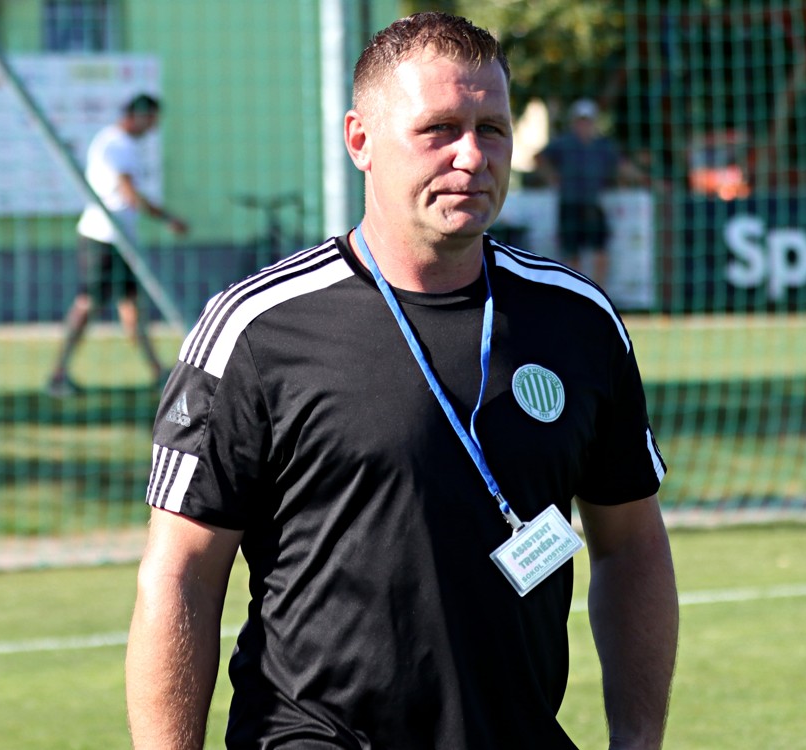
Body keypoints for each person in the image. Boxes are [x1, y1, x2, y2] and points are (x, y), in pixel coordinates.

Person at [127, 12, 677, 749]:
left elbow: (631, 542)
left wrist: (637, 741)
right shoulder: (259, 328)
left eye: (492, 129)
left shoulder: (578, 320)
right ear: (361, 140)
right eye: (439, 129)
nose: (471, 156)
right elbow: (181, 574)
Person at [47, 93, 188, 398]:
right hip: (102, 238)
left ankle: (157, 372)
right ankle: (58, 375)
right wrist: (168, 218)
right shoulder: (115, 145)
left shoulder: (123, 144)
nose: (153, 127)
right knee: (87, 303)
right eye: (151, 120)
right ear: (137, 116)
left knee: (131, 304)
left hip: (122, 240)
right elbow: (129, 194)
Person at [535, 97, 648, 286]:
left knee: (600, 249)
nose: (584, 125)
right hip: (570, 203)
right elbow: (539, 158)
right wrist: (551, 177)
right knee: (572, 252)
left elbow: (622, 166)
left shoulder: (602, 146)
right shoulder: (564, 143)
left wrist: (646, 179)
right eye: (581, 120)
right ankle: (575, 292)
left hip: (592, 203)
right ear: (574, 122)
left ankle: (596, 292)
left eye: (587, 121)